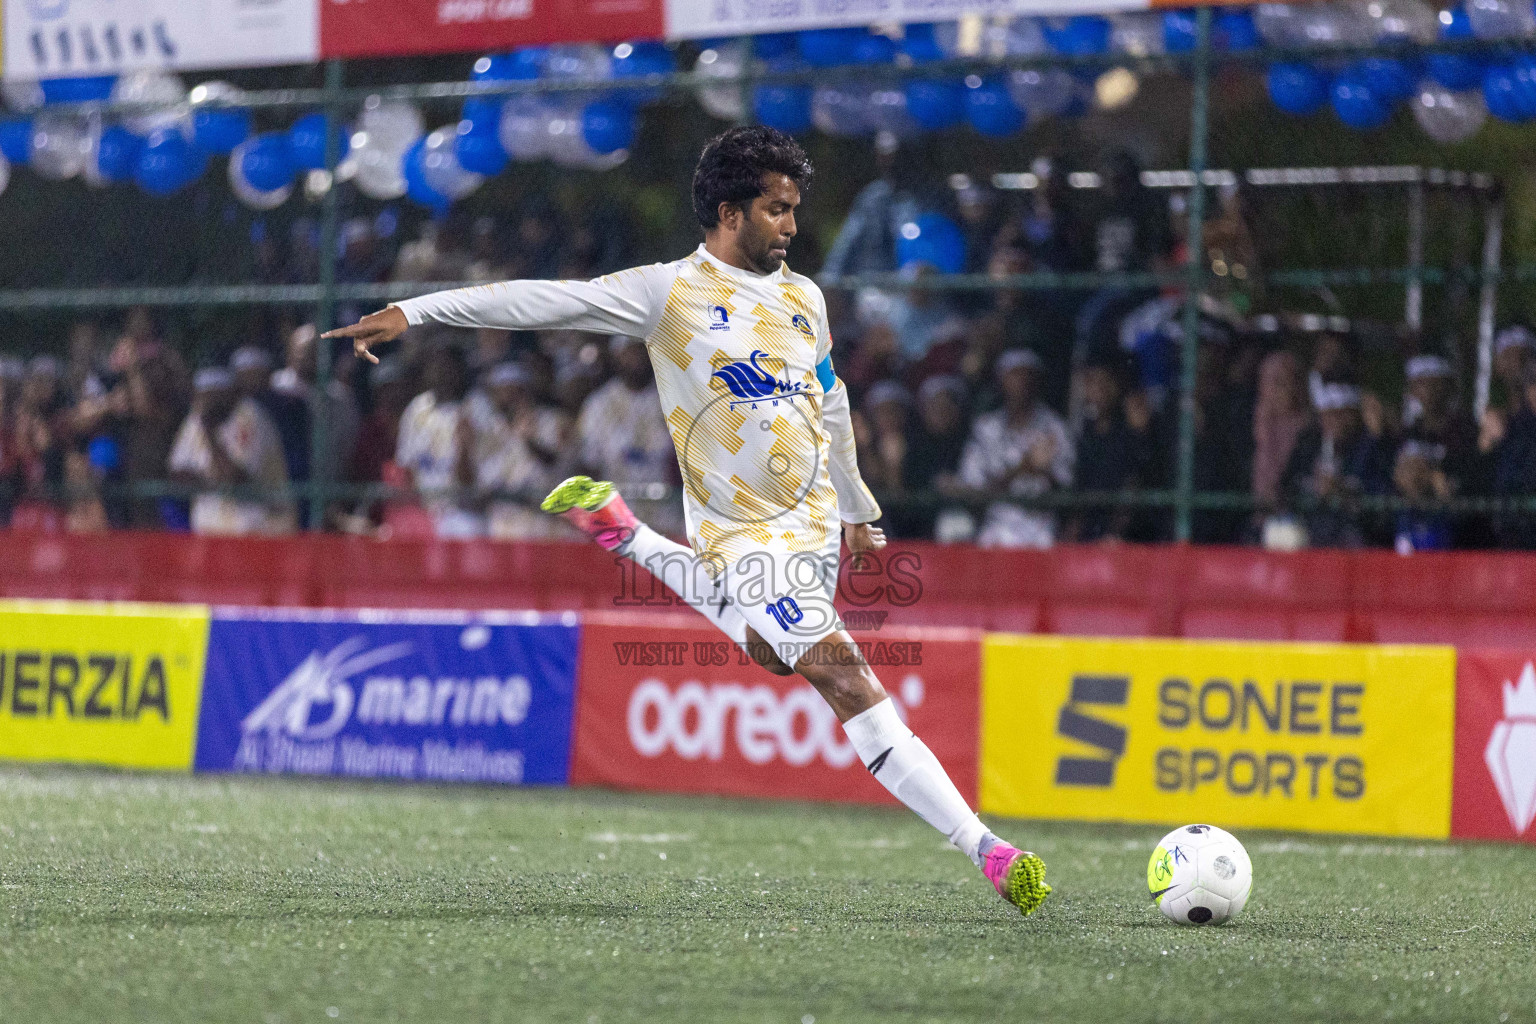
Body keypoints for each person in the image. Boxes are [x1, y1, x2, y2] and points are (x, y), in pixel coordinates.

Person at [324, 125, 1051, 917]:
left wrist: (855, 506)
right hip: (737, 535)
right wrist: (416, 311)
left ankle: (626, 534)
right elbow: (546, 302)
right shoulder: (667, 293)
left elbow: (831, 401)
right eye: (778, 210)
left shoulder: (804, 299)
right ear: (731, 212)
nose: (792, 227)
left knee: (778, 658)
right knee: (844, 674)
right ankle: (986, 847)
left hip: (808, 527)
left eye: (795, 209)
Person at [952, 348, 1074, 548]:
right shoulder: (985, 428)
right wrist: (1024, 468)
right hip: (995, 528)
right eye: (1014, 375)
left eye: (1028, 375)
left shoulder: (1055, 427)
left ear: (1038, 381)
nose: (1021, 382)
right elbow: (974, 492)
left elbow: (1069, 493)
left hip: (1042, 530)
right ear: (1001, 380)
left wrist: (1045, 472)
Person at [167, 368, 296, 536]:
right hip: (212, 536)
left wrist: (209, 432)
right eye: (200, 396)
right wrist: (206, 480)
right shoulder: (197, 418)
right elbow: (178, 473)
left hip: (260, 534)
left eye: (211, 396)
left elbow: (233, 480)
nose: (203, 403)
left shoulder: (250, 415)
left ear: (229, 394)